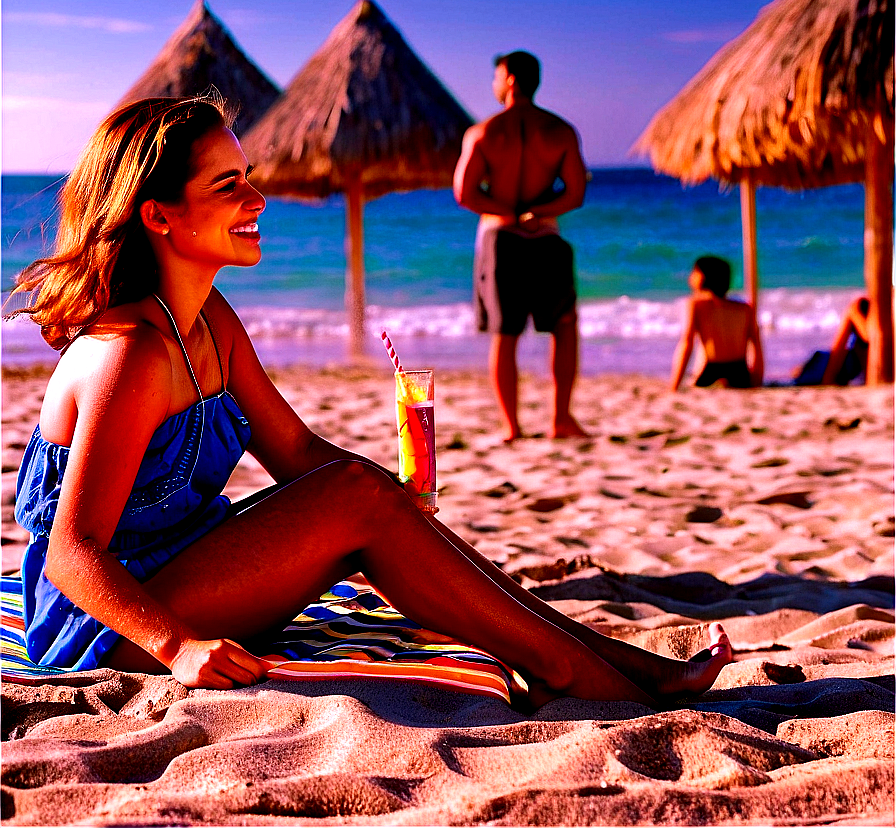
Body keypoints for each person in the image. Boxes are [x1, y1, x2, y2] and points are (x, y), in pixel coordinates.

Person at [7, 94, 731, 707]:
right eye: (228, 186)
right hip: (108, 620)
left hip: (178, 565)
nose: (258, 200)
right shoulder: (131, 354)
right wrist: (179, 648)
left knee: (369, 492)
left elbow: (294, 452)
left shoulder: (211, 321)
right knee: (357, 494)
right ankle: (573, 673)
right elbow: (73, 552)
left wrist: (394, 501)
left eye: (248, 177)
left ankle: (606, 660)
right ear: (159, 216)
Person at [453, 51, 589, 441]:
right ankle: (561, 419)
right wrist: (535, 212)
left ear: (510, 79)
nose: (494, 84)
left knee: (505, 333)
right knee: (564, 327)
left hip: (500, 236)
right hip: (545, 234)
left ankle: (512, 426)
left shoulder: (483, 133)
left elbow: (464, 194)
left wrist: (508, 213)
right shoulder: (560, 131)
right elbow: (576, 193)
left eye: (496, 77)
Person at [670, 255, 764, 391]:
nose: (690, 277)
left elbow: (687, 342)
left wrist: (674, 386)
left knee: (700, 357)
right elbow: (756, 344)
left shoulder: (695, 305)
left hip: (710, 370)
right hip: (739, 371)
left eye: (694, 272)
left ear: (701, 276)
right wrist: (756, 381)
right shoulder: (744, 308)